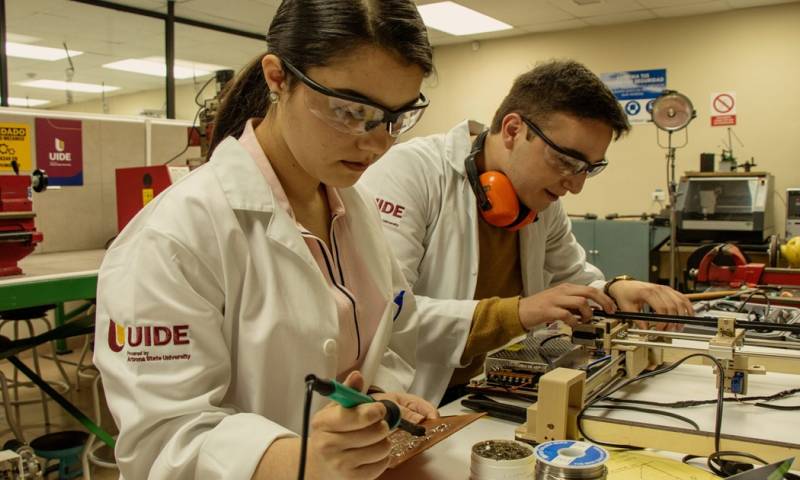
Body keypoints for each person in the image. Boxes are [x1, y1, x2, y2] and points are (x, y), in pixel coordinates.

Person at [94, 1, 439, 479]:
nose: (378, 143)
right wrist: (300, 463)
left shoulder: (352, 210)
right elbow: (162, 441)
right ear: (278, 78)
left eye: (396, 117)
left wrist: (372, 405)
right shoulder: (174, 236)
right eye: (351, 110)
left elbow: (386, 340)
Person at [359, 59, 693, 405]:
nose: (575, 186)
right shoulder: (411, 173)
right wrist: (518, 313)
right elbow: (387, 315)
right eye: (566, 161)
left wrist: (615, 288)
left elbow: (573, 278)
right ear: (513, 130)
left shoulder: (542, 201)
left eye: (589, 169)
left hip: (492, 391)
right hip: (414, 399)